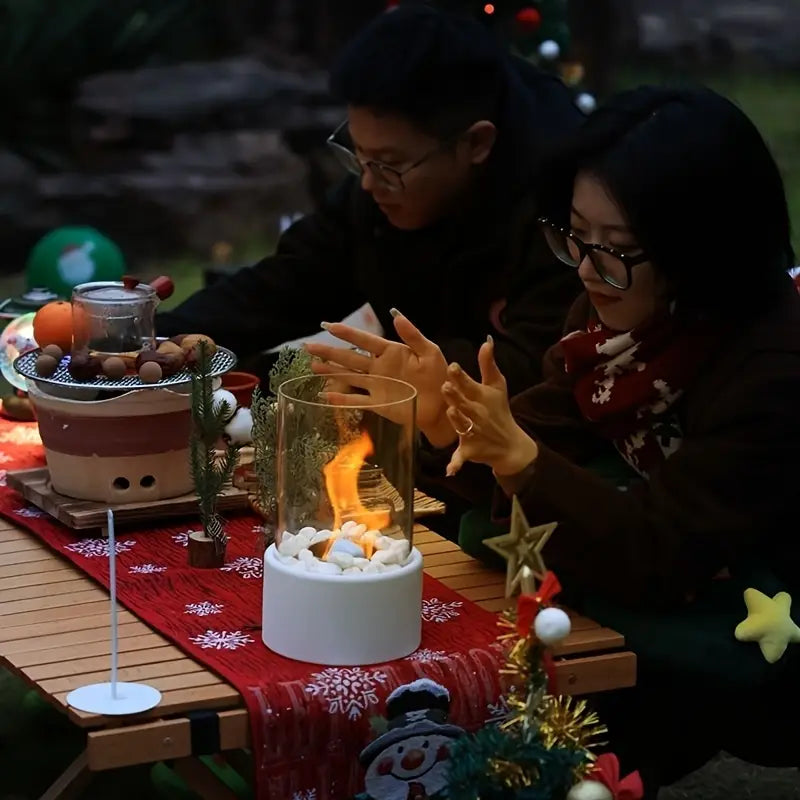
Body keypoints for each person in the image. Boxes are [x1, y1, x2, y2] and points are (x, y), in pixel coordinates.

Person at [308, 85, 800, 796]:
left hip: (758, 628)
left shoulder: (772, 366)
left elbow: (663, 552)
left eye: (619, 249)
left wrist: (524, 462)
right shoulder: (607, 321)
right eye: (576, 236)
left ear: (704, 252)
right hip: (639, 587)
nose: (589, 270)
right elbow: (527, 446)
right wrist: (448, 423)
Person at [157, 4, 583, 394]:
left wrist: (376, 375)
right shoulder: (380, 186)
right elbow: (288, 283)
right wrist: (158, 340)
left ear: (475, 144)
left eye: (388, 164)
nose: (367, 183)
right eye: (358, 155)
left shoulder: (566, 209)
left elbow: (535, 371)